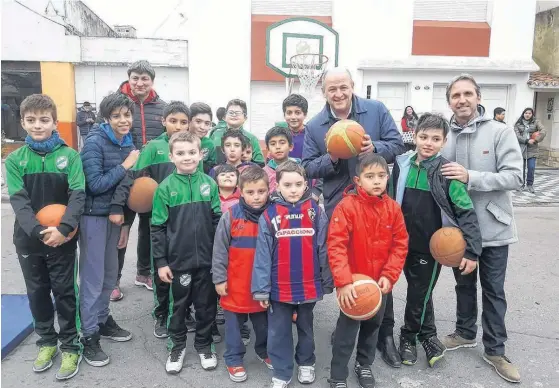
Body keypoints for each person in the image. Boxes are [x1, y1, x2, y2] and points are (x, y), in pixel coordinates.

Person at [302, 67, 405, 367]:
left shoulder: (375, 110)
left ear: (352, 86)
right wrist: (332, 157)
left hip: (376, 203)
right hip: (341, 205)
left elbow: (398, 144)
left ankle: (385, 335)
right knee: (346, 268)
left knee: (382, 265)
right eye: (332, 89)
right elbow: (308, 167)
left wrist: (376, 148)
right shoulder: (316, 126)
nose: (338, 93)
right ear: (323, 91)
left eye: (343, 87)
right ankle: (351, 318)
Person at [439, 74, 523, 383]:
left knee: (493, 290)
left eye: (467, 94)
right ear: (449, 101)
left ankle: (495, 350)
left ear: (478, 97)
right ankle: (464, 333)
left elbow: (515, 177)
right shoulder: (443, 135)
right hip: (458, 232)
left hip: (495, 229)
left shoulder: (500, 132)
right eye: (456, 95)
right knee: (463, 286)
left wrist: (471, 177)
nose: (461, 99)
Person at [390, 113, 482, 368]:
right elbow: (388, 201)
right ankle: (428, 334)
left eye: (435, 138)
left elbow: (466, 212)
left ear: (443, 141)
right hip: (400, 242)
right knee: (422, 292)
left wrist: (472, 251)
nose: (428, 143)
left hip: (431, 248)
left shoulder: (447, 172)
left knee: (418, 292)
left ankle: (408, 336)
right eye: (423, 137)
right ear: (415, 136)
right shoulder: (402, 165)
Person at [5, 94, 85, 380]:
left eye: (44, 120)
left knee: (65, 293)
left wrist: (63, 229)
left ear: (54, 121)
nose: (37, 125)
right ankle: (46, 342)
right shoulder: (16, 160)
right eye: (31, 120)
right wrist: (38, 231)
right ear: (23, 122)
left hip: (62, 238)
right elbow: (19, 201)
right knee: (37, 293)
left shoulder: (70, 156)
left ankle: (71, 346)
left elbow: (78, 195)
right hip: (29, 240)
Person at [327, 153, 408, 388]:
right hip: (353, 286)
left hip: (379, 285)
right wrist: (343, 281)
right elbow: (336, 245)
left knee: (372, 328)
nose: (376, 181)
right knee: (346, 333)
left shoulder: (393, 209)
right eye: (370, 176)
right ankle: (338, 375)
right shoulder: (347, 207)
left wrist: (389, 275)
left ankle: (364, 363)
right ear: (357, 180)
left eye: (381, 176)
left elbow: (400, 244)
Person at [252, 161, 333, 388]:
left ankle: (306, 362)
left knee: (306, 327)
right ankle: (282, 370)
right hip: (279, 287)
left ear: (306, 184)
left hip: (308, 284)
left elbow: (323, 248)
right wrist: (261, 288)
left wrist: (327, 280)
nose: (294, 189)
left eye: (298, 184)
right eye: (288, 185)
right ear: (277, 187)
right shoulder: (269, 216)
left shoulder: (315, 211)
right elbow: (262, 256)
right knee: (279, 332)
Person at [151, 131, 221, 374]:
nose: (187, 157)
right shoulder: (164, 188)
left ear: (201, 154)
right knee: (178, 307)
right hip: (178, 262)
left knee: (206, 305)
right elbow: (157, 228)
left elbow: (217, 222)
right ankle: (177, 346)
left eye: (192, 152)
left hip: (207, 261)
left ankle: (204, 345)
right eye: (180, 153)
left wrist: (219, 259)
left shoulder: (210, 184)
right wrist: (161, 262)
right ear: (172, 156)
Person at [79, 92, 138, 367]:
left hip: (115, 217)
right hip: (92, 216)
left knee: (110, 274)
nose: (123, 120)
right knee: (92, 279)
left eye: (127, 114)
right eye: (116, 116)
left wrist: (125, 219)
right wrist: (125, 165)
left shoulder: (129, 141)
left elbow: (127, 185)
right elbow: (95, 184)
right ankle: (88, 335)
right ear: (106, 118)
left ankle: (102, 321)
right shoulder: (94, 142)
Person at [213, 166, 273, 382]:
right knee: (234, 328)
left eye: (261, 191)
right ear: (241, 191)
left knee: (264, 324)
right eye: (250, 192)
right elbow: (219, 250)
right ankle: (234, 358)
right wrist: (219, 278)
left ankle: (264, 351)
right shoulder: (230, 216)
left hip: (262, 286)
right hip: (235, 285)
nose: (256, 197)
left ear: (269, 190)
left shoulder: (273, 214)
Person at [117, 60, 167, 290]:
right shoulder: (117, 105)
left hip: (152, 180)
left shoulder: (162, 108)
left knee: (149, 228)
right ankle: (114, 279)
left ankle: (143, 273)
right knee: (121, 227)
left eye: (144, 78)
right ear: (129, 79)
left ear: (152, 81)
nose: (139, 82)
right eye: (135, 77)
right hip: (125, 176)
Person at [210, 99, 265, 165]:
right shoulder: (215, 135)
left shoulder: (251, 138)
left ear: (245, 118)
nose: (234, 115)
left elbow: (260, 163)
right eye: (231, 112)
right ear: (224, 117)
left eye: (238, 113)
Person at [513, 107, 546, 193]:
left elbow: (543, 131)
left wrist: (535, 140)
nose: (527, 115)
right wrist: (527, 140)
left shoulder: (536, 122)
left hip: (532, 148)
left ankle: (530, 185)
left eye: (529, 113)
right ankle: (521, 185)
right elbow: (516, 135)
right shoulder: (518, 123)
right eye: (526, 113)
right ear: (523, 114)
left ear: (532, 114)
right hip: (521, 148)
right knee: (521, 168)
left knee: (531, 167)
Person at [190, 102, 218, 173]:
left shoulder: (209, 144)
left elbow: (212, 168)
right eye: (198, 121)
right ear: (189, 121)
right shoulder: (178, 141)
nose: (202, 127)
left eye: (207, 123)